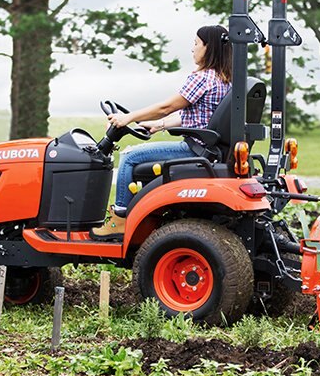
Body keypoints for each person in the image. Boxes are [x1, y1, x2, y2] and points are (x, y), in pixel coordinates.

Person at [91, 24, 231, 238]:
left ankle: (120, 219)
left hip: (194, 149)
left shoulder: (202, 78)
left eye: (195, 44)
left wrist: (127, 118)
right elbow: (198, 116)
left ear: (208, 47)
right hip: (208, 148)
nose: (192, 49)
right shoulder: (224, 79)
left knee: (129, 156)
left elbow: (166, 107)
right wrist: (159, 125)